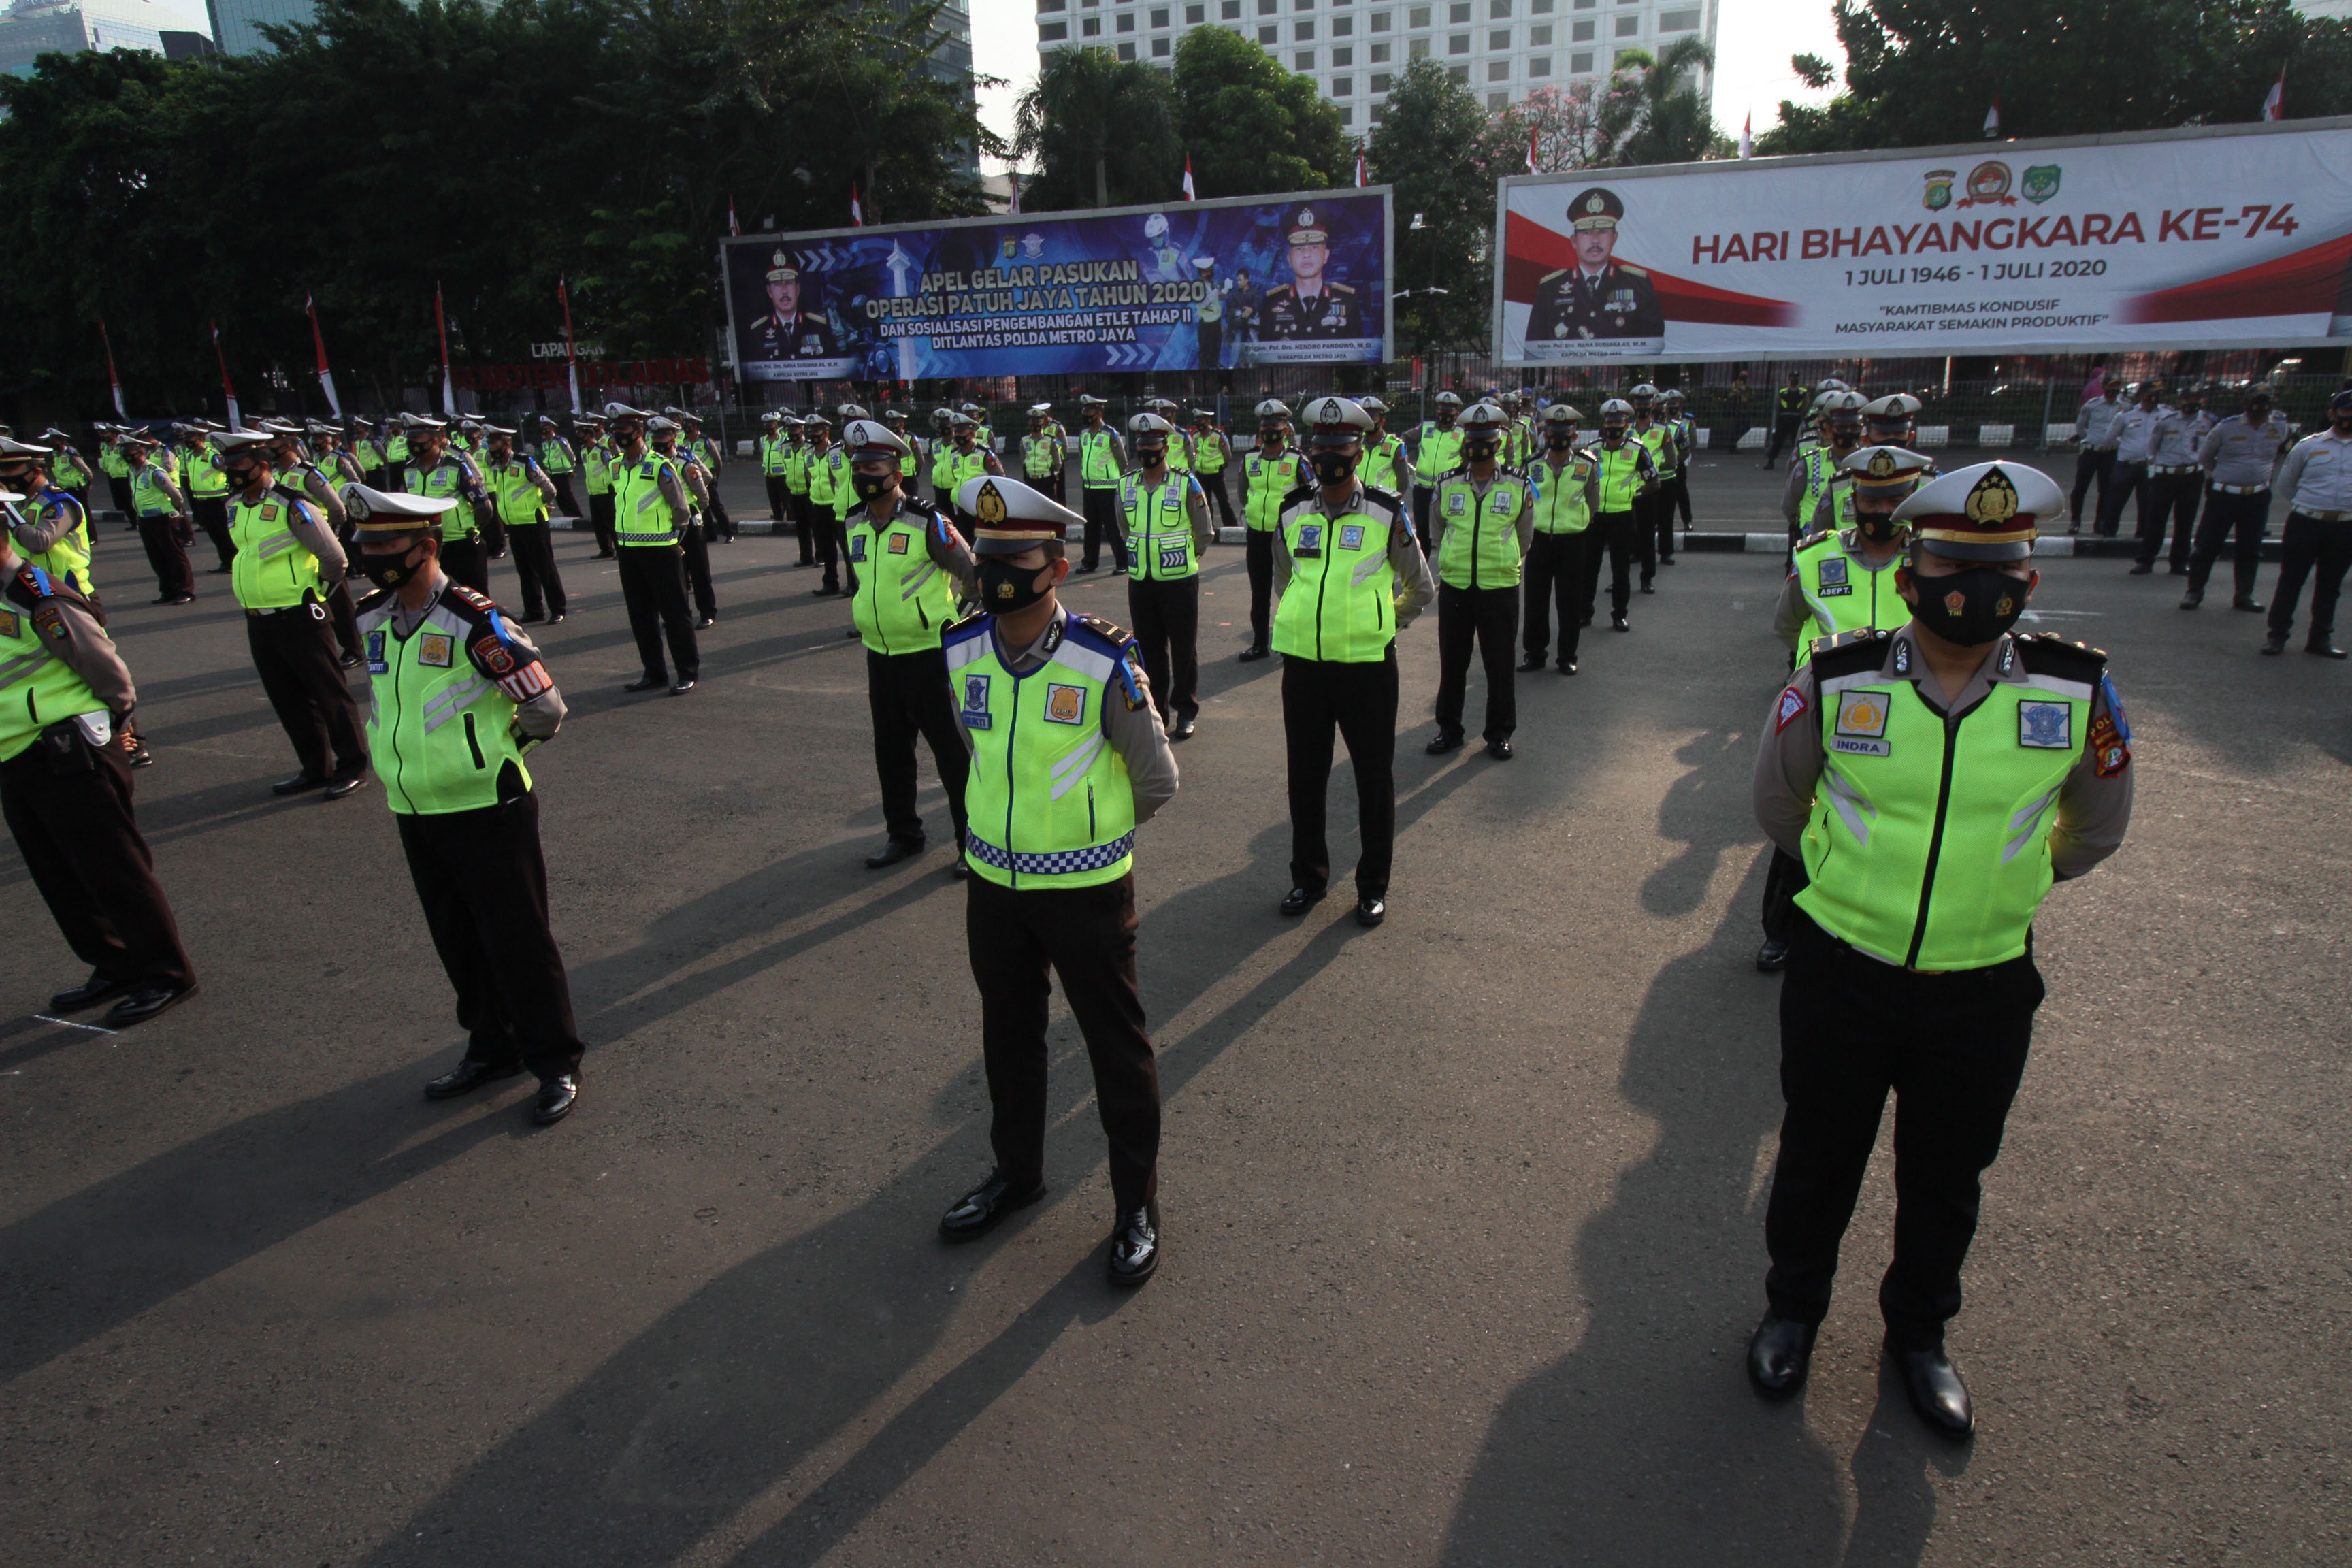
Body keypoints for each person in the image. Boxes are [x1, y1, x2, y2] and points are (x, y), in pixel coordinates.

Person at [1746, 459, 2134, 1439]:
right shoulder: (1835, 678)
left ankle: (1919, 1336)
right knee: (1816, 1160)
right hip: (1843, 973)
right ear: (1913, 574)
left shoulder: (2076, 689)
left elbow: (2094, 828)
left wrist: (2002, 892)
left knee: (1946, 1177)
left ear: (2029, 583)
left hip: (1984, 985)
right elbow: (1780, 806)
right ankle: (1793, 1308)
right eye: (1953, 563)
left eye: (1999, 568)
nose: (1975, 586)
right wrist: (1848, 885)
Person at [937, 474, 1178, 1288]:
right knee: (1008, 1039)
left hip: (1085, 890)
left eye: (1017, 558)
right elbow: (979, 756)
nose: (996, 572)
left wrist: (1085, 832)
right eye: (989, 555)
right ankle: (1016, 1173)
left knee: (1117, 1051)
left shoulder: (1104, 657)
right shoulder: (960, 642)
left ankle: (1135, 1206)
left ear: (1059, 568)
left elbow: (1157, 779)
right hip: (993, 886)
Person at [345, 483, 584, 1126]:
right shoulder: (372, 617)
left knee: (519, 942)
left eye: (385, 545)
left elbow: (545, 708)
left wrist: (493, 758)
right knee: (459, 940)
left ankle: (555, 1061)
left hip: (487, 806)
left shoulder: (477, 621)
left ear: (426, 547)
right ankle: (491, 1047)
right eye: (365, 543)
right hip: (415, 808)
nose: (370, 555)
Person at [0, 504, 197, 1028]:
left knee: (115, 871)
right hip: (15, 753)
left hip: (66, 751)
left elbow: (107, 671)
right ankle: (115, 962)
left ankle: (165, 972)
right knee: (58, 873)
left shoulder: (34, 595)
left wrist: (110, 726)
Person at [1754, 444, 1932, 973]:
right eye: (1871, 500)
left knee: (1892, 816)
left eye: (1893, 501)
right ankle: (1782, 933)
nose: (1880, 513)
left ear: (1911, 501)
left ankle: (1885, 922)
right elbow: (1787, 624)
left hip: (1909, 712)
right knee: (1807, 821)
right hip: (1827, 709)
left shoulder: (1932, 563)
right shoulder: (1816, 557)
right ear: (1853, 498)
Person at [1271, 396, 1435, 927]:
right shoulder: (1293, 509)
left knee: (1372, 779)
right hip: (1304, 669)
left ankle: (1372, 886)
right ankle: (1309, 878)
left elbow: (1420, 587)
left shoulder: (1386, 512)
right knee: (1305, 778)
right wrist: (1303, 617)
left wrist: (1382, 623)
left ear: (1358, 452)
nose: (1329, 457)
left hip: (1366, 667)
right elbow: (1285, 576)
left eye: (1340, 447)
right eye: (1320, 447)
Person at [834, 419, 977, 869]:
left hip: (930, 656)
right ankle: (904, 835)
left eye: (874, 467)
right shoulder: (853, 521)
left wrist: (964, 623)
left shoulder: (928, 521)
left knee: (952, 756)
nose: (864, 477)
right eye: (858, 468)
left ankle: (970, 843)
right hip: (880, 654)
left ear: (896, 473)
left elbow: (971, 572)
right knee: (891, 753)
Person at [213, 429, 370, 798]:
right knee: (288, 699)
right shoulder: (234, 505)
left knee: (329, 694)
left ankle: (352, 765)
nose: (233, 472)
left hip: (299, 614)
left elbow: (334, 559)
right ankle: (315, 768)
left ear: (263, 465)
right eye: (228, 466)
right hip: (259, 618)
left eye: (241, 465)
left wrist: (317, 595)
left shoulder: (292, 504)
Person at [1425, 402, 1531, 761]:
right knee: (1452, 662)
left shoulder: (1518, 484)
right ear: (1464, 443)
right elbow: (1437, 531)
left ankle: (1499, 733)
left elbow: (1525, 534)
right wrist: (1452, 557)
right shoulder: (1448, 483)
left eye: (1485, 439)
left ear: (1498, 442)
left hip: (1499, 587)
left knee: (1499, 664)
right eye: (1472, 440)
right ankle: (1449, 730)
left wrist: (1504, 561)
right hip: (1456, 586)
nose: (1478, 447)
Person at [1120, 412, 1217, 742]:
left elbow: (1204, 533)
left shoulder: (1185, 482)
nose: (1147, 450)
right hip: (1141, 582)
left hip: (1179, 582)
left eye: (1154, 445)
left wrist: (1184, 558)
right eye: (1142, 445)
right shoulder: (1126, 484)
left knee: (1183, 649)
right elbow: (1124, 528)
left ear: (1165, 447)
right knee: (1149, 650)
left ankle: (1185, 711)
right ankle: (1157, 711)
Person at [602, 403, 700, 694]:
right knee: (641, 616)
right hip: (628, 551)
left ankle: (687, 672)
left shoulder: (660, 465)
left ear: (640, 431)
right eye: (616, 430)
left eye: (625, 429)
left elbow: (681, 510)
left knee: (675, 614)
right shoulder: (615, 466)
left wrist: (674, 542)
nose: (620, 435)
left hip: (661, 551)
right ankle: (654, 672)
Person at [2183, 385, 2294, 612]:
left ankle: (2244, 595)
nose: (2260, 406)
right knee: (2207, 546)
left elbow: (2280, 455)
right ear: (2245, 403)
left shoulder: (2280, 426)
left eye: (2265, 401)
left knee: (2251, 548)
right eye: (2255, 401)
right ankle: (2194, 592)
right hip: (2225, 495)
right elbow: (2205, 458)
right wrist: (2227, 476)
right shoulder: (2226, 428)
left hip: (2257, 497)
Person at [2261, 388, 2352, 659]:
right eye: (2346, 411)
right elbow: (2287, 484)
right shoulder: (2309, 446)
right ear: (2333, 414)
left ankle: (2320, 638)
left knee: (2330, 585)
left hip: (2345, 526)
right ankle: (2277, 636)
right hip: (2307, 521)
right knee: (2291, 580)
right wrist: (2312, 505)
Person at [265, 421, 364, 668]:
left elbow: (336, 509)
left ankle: (355, 648)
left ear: (288, 444)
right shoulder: (276, 474)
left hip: (318, 546)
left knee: (338, 601)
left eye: (275, 440)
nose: (269, 446)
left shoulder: (307, 474)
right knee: (314, 599)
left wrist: (330, 536)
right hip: (296, 549)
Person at [1523, 187, 1664, 343]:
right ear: (1574, 240)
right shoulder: (1550, 288)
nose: (1595, 240)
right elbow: (1534, 348)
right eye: (1587, 233)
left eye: (1603, 231)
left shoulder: (1638, 283)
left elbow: (1653, 344)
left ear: (1614, 238)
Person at [1520, 403, 1596, 676]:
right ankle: (1535, 654)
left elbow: (1593, 503)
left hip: (1572, 543)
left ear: (1574, 436)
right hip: (1539, 541)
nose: (1558, 437)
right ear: (1545, 434)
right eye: (1553, 431)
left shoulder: (1587, 466)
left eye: (1564, 432)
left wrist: (1578, 526)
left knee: (1569, 603)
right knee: (1535, 602)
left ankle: (1567, 657)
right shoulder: (1532, 464)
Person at [1239, 398, 1308, 662]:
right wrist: (1255, 510)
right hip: (1257, 534)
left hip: (1287, 537)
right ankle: (1259, 645)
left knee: (1292, 590)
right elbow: (1244, 492)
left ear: (1286, 429)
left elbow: (1310, 497)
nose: (1269, 431)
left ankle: (1294, 644)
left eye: (1275, 425)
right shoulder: (1249, 458)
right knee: (1259, 591)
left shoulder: (1297, 460)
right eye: (1265, 426)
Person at [1583, 399, 1658, 636]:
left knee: (1620, 570)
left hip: (1622, 516)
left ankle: (1620, 614)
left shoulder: (1637, 449)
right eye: (1609, 422)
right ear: (1604, 424)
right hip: (1594, 517)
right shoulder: (1593, 449)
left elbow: (1654, 482)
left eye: (1618, 422)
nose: (1613, 426)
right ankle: (1585, 613)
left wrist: (1632, 493)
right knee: (1589, 569)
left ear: (1627, 424)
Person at [399, 414, 495, 595]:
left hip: (461, 545)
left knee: (475, 600)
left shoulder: (457, 466)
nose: (411, 443)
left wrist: (466, 528)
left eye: (416, 438)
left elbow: (484, 508)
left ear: (434, 439)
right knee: (439, 601)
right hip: (428, 547)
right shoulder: (408, 470)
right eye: (409, 439)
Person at [480, 425, 566, 623]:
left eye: (495, 442)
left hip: (533, 522)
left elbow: (550, 489)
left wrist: (541, 505)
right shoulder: (495, 466)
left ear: (506, 443)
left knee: (545, 568)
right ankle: (533, 610)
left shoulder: (524, 462)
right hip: (514, 524)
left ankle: (558, 608)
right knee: (525, 570)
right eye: (489, 443)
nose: (491, 447)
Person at [648, 416, 719, 627]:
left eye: (663, 436)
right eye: (656, 436)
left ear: (673, 437)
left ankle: (707, 611)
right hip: (666, 524)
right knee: (673, 574)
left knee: (699, 570)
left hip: (689, 523)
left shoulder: (684, 461)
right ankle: (679, 613)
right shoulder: (652, 461)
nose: (659, 440)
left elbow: (704, 484)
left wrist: (697, 511)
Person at [2134, 383, 2208, 576]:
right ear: (2180, 401)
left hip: (2192, 475)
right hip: (2166, 476)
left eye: (2195, 399)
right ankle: (2146, 560)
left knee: (2185, 522)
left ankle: (2179, 563)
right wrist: (2153, 471)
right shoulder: (2167, 421)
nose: (2191, 403)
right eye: (2187, 400)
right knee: (2156, 520)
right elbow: (2152, 448)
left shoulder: (2208, 422)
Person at [1260, 203, 1365, 340]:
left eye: (1315, 247)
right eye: (1299, 248)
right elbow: (1264, 356)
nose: (1307, 254)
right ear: (1289, 259)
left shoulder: (1347, 301)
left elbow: (1358, 356)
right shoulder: (1272, 303)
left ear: (1326, 255)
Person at [1782, 391, 1865, 544]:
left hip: (1857, 542)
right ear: (1829, 428)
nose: (1848, 432)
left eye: (1854, 427)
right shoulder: (1809, 463)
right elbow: (1790, 503)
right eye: (1842, 427)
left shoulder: (1868, 463)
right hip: (1814, 540)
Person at [118, 435, 193, 605]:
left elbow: (176, 496)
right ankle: (168, 590)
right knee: (157, 557)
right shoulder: (132, 471)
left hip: (163, 518)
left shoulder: (155, 471)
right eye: (125, 452)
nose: (127, 456)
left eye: (130, 452)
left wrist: (177, 515)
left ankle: (185, 590)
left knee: (174, 556)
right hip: (145, 519)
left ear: (140, 452)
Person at [2094, 381, 2162, 539]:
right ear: (2142, 396)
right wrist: (2127, 447)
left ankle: (2142, 536)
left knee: (2147, 504)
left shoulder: (2165, 415)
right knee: (2116, 502)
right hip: (2126, 465)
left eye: (2157, 393)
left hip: (2150, 466)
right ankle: (2109, 534)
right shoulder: (2126, 415)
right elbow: (2110, 438)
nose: (2155, 397)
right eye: (2151, 393)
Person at [1073, 394, 1129, 575]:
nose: (1086, 414)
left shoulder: (1110, 434)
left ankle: (1123, 562)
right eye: (1085, 410)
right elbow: (1082, 456)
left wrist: (1115, 479)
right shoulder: (1083, 433)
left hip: (1108, 487)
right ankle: (1090, 562)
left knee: (1113, 527)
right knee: (1090, 527)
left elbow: (1122, 461)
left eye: (1089, 410)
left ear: (1099, 412)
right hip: (1089, 487)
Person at [1629, 382, 1677, 588]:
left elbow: (1672, 461)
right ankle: (1619, 578)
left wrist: (1653, 469)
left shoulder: (1662, 431)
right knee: (1626, 536)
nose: (1642, 408)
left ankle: (1647, 578)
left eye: (1646, 404)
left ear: (1653, 405)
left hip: (1650, 489)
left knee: (1648, 534)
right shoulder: (1626, 430)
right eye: (1639, 404)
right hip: (1628, 490)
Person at [753, 250, 838, 359]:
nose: (784, 291)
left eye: (789, 283)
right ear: (769, 291)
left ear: (797, 289)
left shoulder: (818, 326)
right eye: (778, 284)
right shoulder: (758, 331)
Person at [176, 422, 235, 572]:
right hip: (201, 500)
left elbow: (229, 471)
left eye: (191, 437)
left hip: (217, 499)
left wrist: (231, 489)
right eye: (186, 437)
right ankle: (225, 562)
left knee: (224, 534)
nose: (188, 440)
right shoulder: (190, 456)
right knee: (214, 534)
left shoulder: (212, 455)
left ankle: (233, 562)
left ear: (201, 437)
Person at [2069, 378, 2125, 532]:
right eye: (2110, 385)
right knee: (2080, 487)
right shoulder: (2092, 405)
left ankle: (2100, 522)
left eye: (2117, 385)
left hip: (2110, 453)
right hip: (2091, 451)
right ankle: (2075, 520)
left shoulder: (2124, 406)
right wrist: (2089, 438)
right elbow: (2081, 426)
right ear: (2104, 387)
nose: (2113, 388)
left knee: (2106, 489)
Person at [1410, 391, 1464, 545]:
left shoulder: (1461, 434)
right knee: (1422, 530)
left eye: (1449, 412)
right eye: (1442, 411)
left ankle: (1446, 562)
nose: (1444, 415)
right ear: (1437, 412)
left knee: (1447, 528)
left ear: (1457, 414)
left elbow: (1467, 462)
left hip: (1447, 490)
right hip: (1422, 489)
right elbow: (1404, 438)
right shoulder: (1426, 427)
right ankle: (1424, 566)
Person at [804, 414, 851, 595]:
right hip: (818, 504)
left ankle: (852, 583)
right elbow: (809, 476)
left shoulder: (835, 451)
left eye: (817, 431)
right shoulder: (808, 453)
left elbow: (837, 478)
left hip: (836, 504)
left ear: (826, 432)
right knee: (826, 546)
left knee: (845, 547)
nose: (814, 435)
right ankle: (830, 583)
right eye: (812, 431)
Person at [681, 412, 735, 544]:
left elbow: (717, 460)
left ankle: (729, 533)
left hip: (708, 479)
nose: (687, 428)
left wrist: (715, 476)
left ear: (696, 426)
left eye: (690, 425)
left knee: (716, 507)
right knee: (703, 508)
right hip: (694, 480)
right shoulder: (685, 442)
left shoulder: (705, 441)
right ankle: (711, 535)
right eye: (685, 426)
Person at [1355, 397, 1414, 504]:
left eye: (1373, 418)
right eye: (1366, 418)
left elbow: (1403, 481)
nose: (1369, 422)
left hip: (1383, 505)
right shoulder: (1356, 442)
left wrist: (1393, 503)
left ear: (1383, 421)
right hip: (1357, 502)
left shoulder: (1395, 446)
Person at [578, 412, 617, 558]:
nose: (579, 437)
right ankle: (606, 549)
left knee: (612, 523)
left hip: (606, 491)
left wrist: (616, 488)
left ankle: (620, 550)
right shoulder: (583, 452)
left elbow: (613, 469)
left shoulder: (602, 451)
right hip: (593, 492)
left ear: (589, 435)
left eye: (582, 434)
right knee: (598, 524)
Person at [1659, 388, 1695, 540]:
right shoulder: (1662, 420)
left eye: (1674, 403)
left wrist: (1679, 459)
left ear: (1680, 404)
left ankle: (1687, 520)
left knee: (1681, 492)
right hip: (1665, 464)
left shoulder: (1687, 421)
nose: (1671, 406)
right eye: (1669, 403)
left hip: (1681, 462)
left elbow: (1692, 442)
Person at [534, 416, 582, 520]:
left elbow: (570, 455)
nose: (544, 429)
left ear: (552, 427)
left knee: (567, 495)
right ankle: (567, 515)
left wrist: (571, 468)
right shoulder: (544, 443)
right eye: (542, 426)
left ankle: (577, 516)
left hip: (564, 472)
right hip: (553, 473)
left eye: (546, 426)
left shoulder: (560, 440)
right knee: (559, 496)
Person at [1022, 403, 1066, 508]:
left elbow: (1063, 445)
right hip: (1037, 467)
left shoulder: (1056, 427)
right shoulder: (1032, 431)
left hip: (1054, 463)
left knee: (1058, 492)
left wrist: (1055, 453)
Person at [1764, 377, 1810, 470]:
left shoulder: (1784, 391)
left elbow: (1776, 404)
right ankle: (1773, 461)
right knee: (1789, 442)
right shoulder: (1802, 392)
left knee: (1786, 442)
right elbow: (1806, 404)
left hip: (1786, 417)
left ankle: (1771, 462)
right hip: (1792, 418)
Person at [1192, 254, 1226, 367]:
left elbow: (1219, 298)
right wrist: (1216, 290)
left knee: (1216, 347)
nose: (1211, 273)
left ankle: (1215, 365)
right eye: (1208, 271)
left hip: (1216, 321)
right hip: (1206, 324)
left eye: (1211, 271)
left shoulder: (1211, 284)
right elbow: (1203, 304)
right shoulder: (1197, 286)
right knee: (1205, 351)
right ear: (1202, 273)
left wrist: (1224, 290)